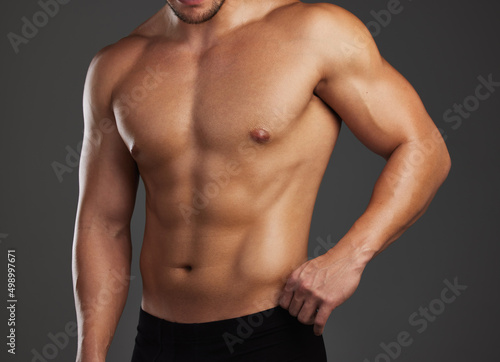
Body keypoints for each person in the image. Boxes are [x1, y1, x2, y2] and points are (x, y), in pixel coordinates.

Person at [71, 0, 451, 361]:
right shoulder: (117, 66)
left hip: (267, 337)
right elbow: (103, 223)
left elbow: (425, 149)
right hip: (157, 342)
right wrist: (90, 352)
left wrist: (351, 256)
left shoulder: (315, 33)